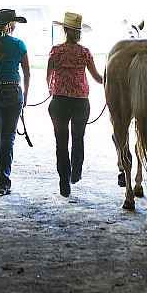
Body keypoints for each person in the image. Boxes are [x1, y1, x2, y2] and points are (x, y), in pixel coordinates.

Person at [46, 11, 103, 197]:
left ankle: (64, 181)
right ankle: (76, 173)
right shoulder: (84, 52)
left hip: (60, 101)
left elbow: (48, 75)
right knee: (78, 138)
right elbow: (97, 78)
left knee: (61, 141)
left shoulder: (56, 50)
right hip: (80, 101)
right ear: (78, 33)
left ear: (63, 29)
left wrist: (52, 89)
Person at [0, 8, 31, 195]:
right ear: (12, 25)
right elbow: (27, 72)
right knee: (8, 138)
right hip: (13, 91)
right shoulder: (19, 45)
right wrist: (25, 96)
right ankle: (3, 180)